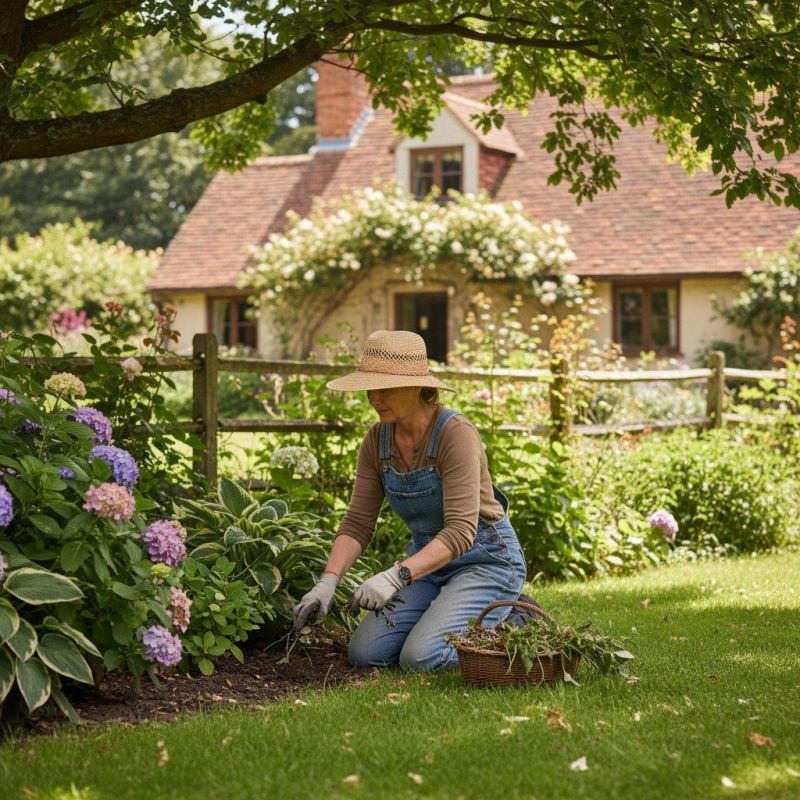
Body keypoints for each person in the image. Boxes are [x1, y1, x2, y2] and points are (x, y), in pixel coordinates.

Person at [292, 329, 528, 670]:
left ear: (419, 387)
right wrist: (328, 581)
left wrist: (394, 577)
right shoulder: (377, 440)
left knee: (422, 657)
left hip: (485, 561)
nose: (374, 398)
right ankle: (451, 615)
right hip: (426, 567)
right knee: (366, 654)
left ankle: (512, 620)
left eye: (384, 388)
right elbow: (358, 523)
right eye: (369, 388)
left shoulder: (455, 433)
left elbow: (462, 531)